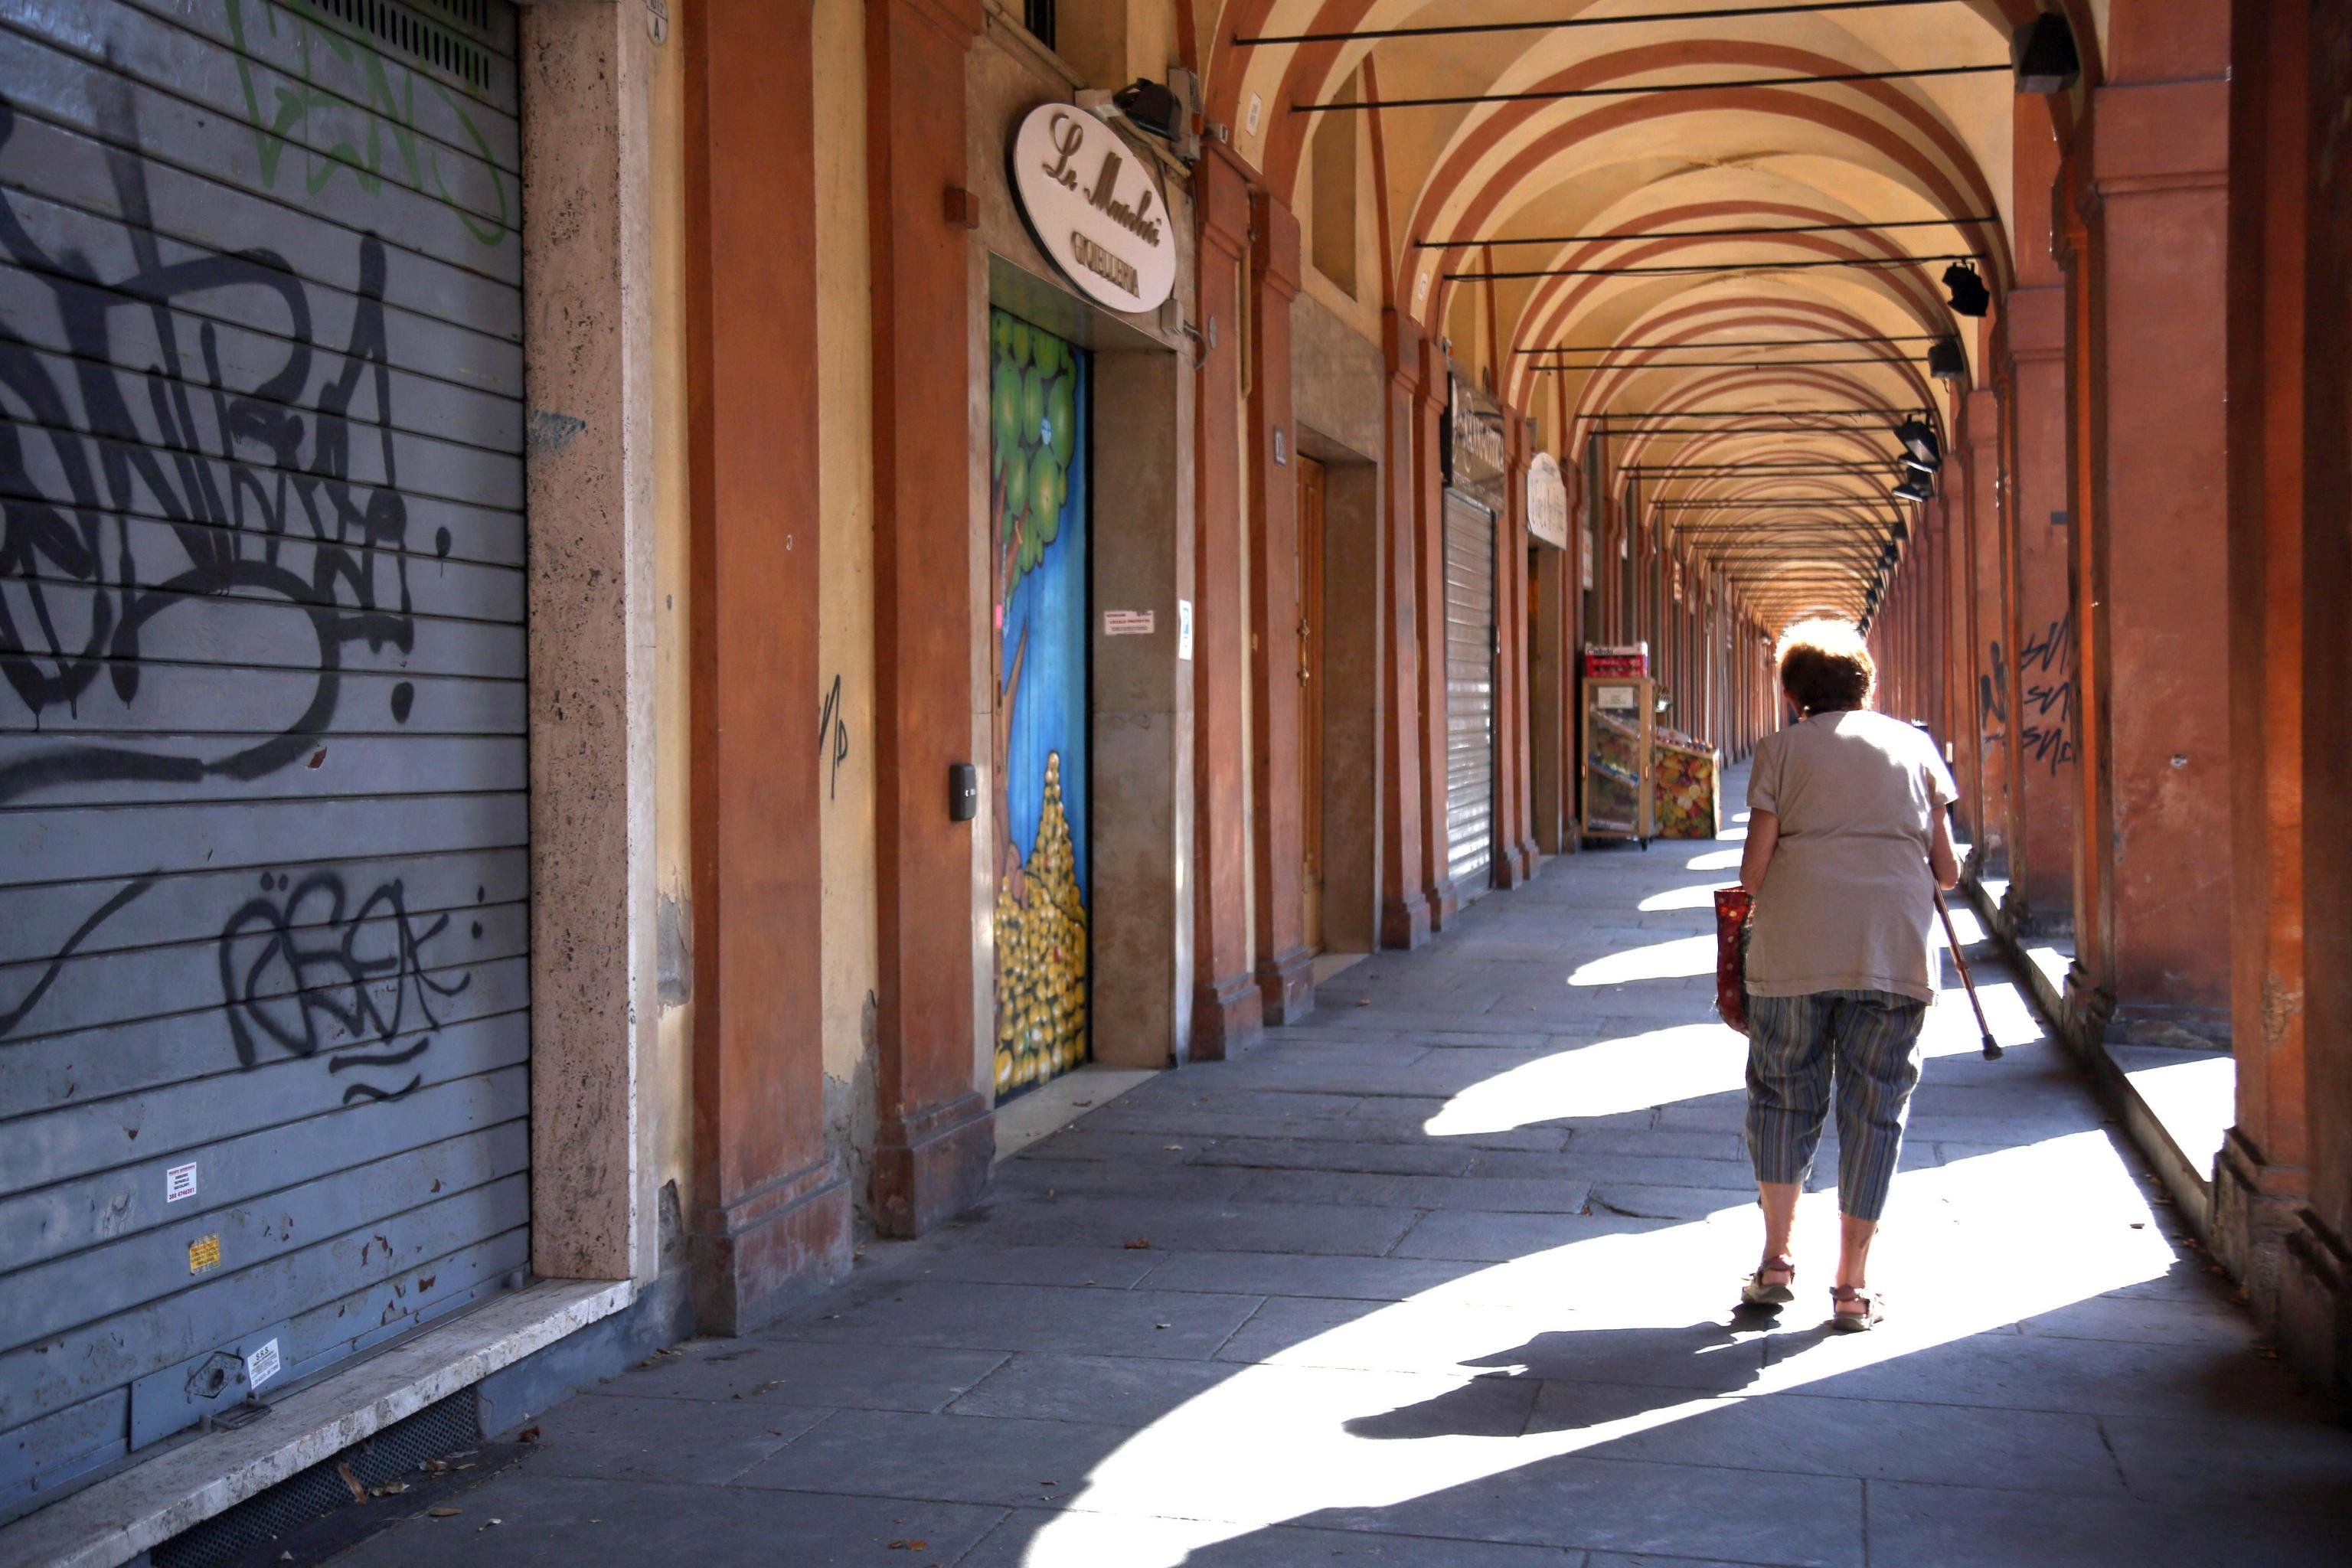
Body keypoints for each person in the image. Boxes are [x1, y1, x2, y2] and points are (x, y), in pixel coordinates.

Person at [1733, 617, 1959, 1331]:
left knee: (1782, 1097)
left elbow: (1752, 872)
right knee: (1877, 1107)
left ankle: (1775, 1262)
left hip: (1795, 950)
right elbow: (1948, 871)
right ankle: (1852, 1287)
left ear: (1794, 692)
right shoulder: (1917, 748)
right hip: (1892, 953)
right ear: (1866, 685)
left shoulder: (1780, 751)